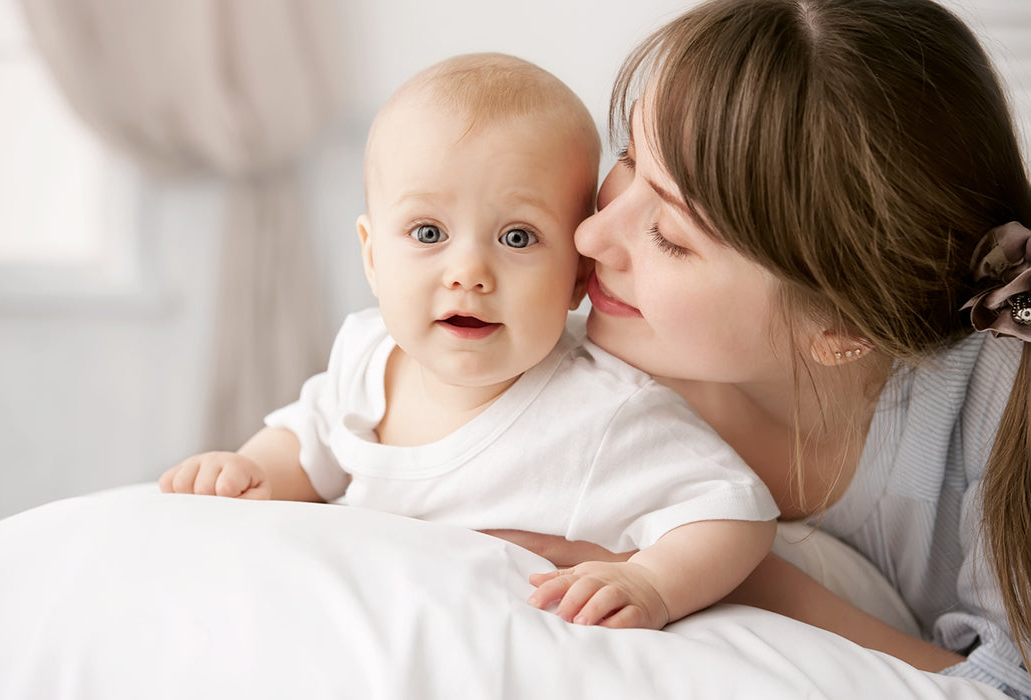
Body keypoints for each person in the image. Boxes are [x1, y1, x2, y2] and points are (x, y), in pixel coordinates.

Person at [486, 0, 1031, 696]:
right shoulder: (586, 369)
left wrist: (718, 572)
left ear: (840, 329)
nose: (589, 237)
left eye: (671, 237)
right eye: (627, 157)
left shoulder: (1001, 403)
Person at [159, 52, 779, 630]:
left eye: (517, 238)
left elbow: (732, 511)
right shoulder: (367, 352)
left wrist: (652, 583)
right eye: (428, 232)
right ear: (373, 256)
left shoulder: (603, 411)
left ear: (577, 278)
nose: (468, 272)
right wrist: (253, 470)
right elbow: (310, 437)